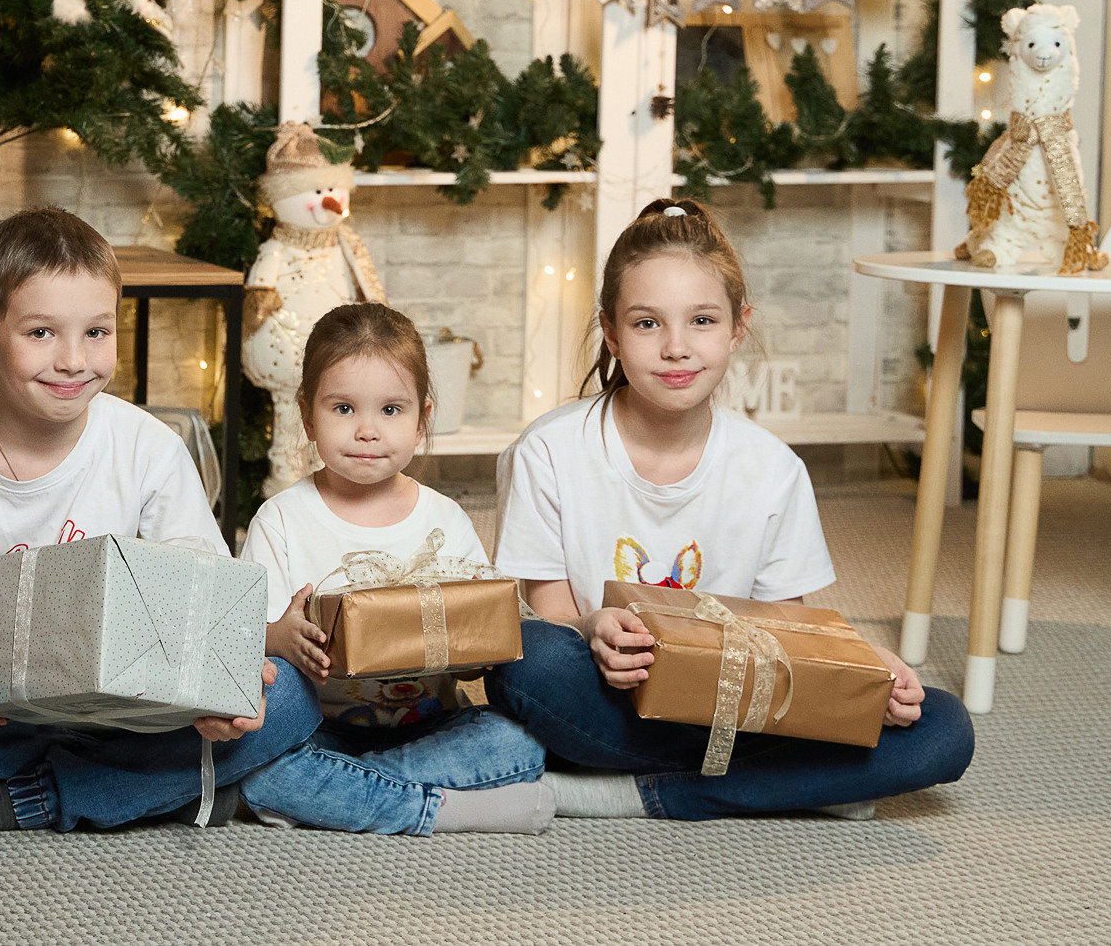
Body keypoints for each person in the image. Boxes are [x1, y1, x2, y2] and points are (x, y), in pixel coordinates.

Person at [485, 198, 976, 818]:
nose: (675, 347)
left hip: (736, 709)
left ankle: (641, 793)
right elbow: (552, 610)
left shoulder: (773, 470)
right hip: (611, 696)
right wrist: (592, 630)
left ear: (738, 327)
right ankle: (796, 784)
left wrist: (860, 671)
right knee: (523, 661)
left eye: (702, 321)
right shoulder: (548, 451)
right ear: (609, 329)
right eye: (646, 324)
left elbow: (784, 630)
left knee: (944, 727)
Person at [0, 208, 321, 834]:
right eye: (42, 333)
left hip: (119, 705)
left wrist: (216, 689)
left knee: (290, 693)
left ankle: (13, 801)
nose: (74, 360)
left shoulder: (148, 448)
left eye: (98, 332)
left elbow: (199, 598)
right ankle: (124, 788)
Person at [234, 303, 551, 836]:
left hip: (429, 728)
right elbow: (244, 641)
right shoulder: (283, 518)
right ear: (307, 415)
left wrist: (473, 641)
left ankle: (347, 791)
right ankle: (440, 809)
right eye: (343, 409)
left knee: (519, 745)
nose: (366, 431)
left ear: (423, 418)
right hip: (321, 729)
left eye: (390, 410)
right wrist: (279, 638)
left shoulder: (446, 519)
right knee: (260, 769)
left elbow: (478, 661)